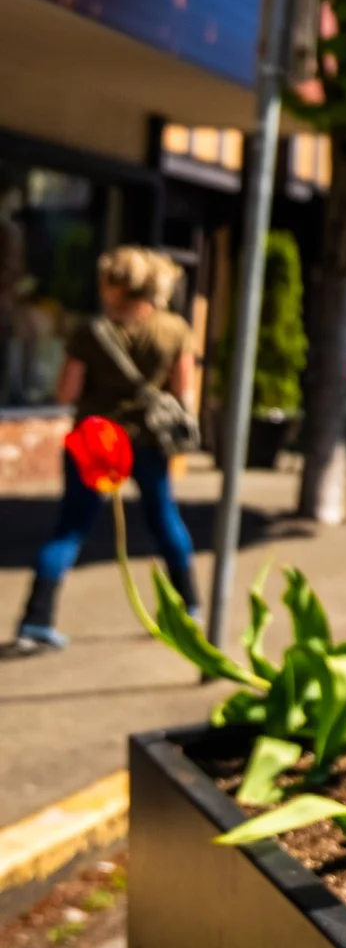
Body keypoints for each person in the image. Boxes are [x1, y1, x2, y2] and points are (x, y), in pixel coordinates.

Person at [11, 247, 200, 656]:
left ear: (113, 285)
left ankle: (36, 621)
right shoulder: (174, 330)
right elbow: (184, 393)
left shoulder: (90, 331)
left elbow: (67, 392)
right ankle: (190, 608)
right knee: (164, 518)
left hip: (95, 438)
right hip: (148, 440)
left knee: (70, 527)